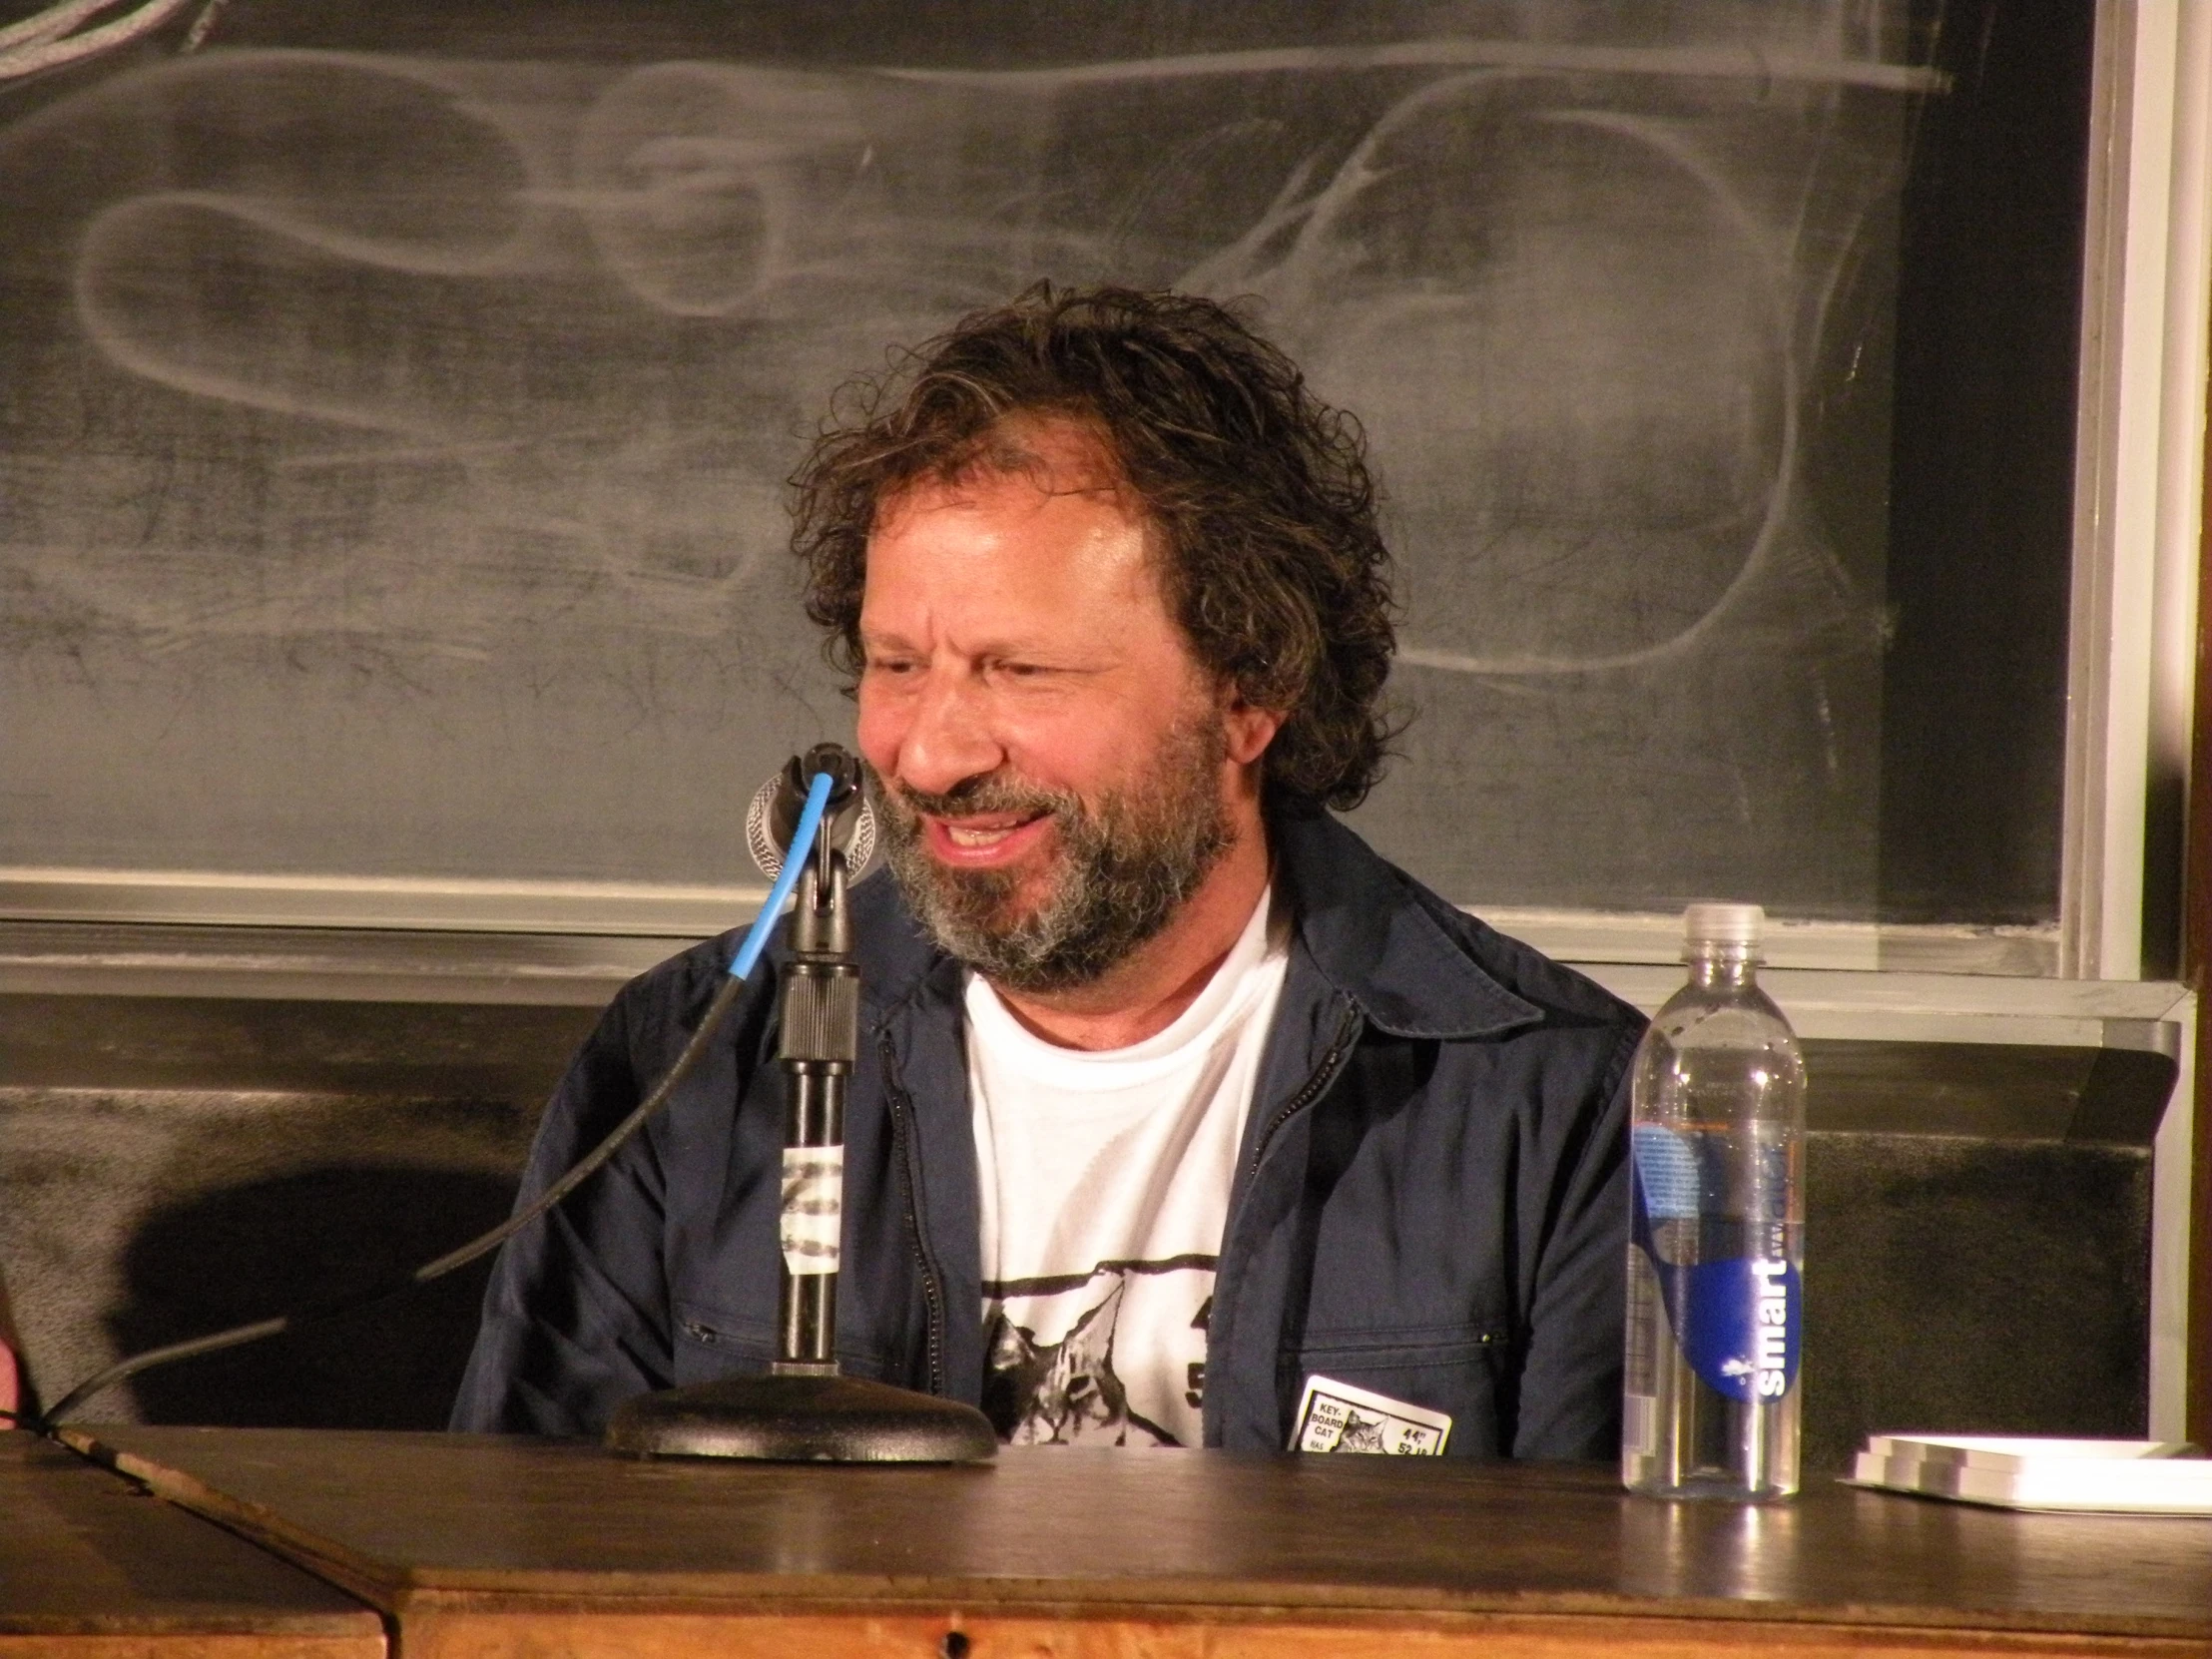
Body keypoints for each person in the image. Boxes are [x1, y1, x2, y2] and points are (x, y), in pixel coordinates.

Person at [453, 285, 1642, 1457]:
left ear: (1247, 693)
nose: (928, 752)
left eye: (1021, 671)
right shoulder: (689, 1070)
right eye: (897, 664)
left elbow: (1633, 1617)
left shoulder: (1559, 1106)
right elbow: (517, 1584)